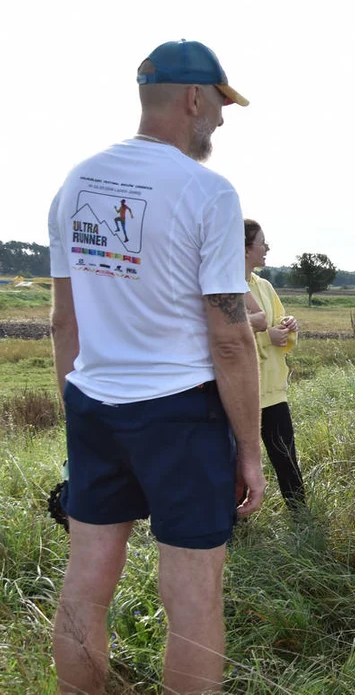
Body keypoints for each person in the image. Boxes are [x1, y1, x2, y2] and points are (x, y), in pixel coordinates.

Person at [47, 40, 263, 694]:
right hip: (180, 410)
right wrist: (249, 449)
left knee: (86, 582)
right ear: (194, 98)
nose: (221, 122)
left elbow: (63, 322)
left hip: (92, 401)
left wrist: (79, 413)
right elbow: (229, 338)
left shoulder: (76, 182)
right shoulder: (208, 193)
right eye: (221, 105)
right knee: (194, 597)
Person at [244, 219, 305, 511]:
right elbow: (222, 340)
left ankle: (300, 518)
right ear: (245, 249)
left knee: (286, 456)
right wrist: (268, 337)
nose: (267, 247)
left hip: (273, 388)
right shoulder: (225, 288)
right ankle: (236, 524)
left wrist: (288, 326)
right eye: (262, 242)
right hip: (242, 392)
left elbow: (279, 323)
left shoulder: (264, 286)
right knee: (239, 462)